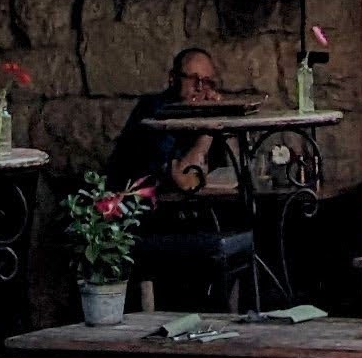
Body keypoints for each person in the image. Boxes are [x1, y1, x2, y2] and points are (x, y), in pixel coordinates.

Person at [104, 46, 253, 302]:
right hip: (143, 224)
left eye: (207, 82)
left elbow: (236, 171)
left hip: (188, 215)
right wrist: (207, 130)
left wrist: (224, 120)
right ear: (173, 79)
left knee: (253, 231)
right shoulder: (156, 113)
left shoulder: (197, 112)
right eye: (192, 79)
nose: (200, 88)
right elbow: (183, 180)